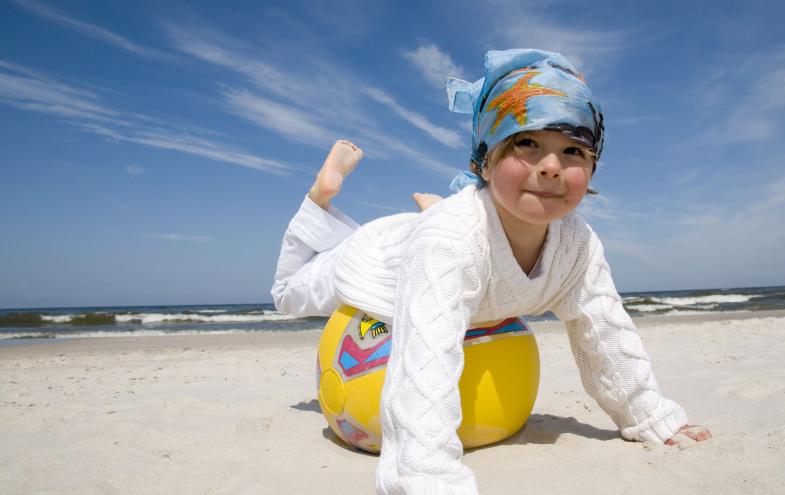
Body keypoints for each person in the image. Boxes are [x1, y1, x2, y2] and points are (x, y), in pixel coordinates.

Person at [272, 49, 711, 495]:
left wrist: (649, 414)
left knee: (466, 255)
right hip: (382, 264)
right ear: (484, 161)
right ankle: (319, 200)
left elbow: (605, 331)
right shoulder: (449, 241)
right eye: (526, 143)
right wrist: (427, 474)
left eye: (573, 150)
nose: (551, 166)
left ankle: (435, 211)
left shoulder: (577, 243)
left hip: (462, 256)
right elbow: (426, 360)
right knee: (287, 294)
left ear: (593, 166)